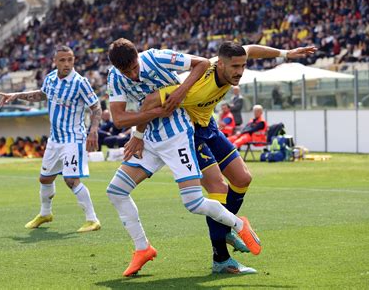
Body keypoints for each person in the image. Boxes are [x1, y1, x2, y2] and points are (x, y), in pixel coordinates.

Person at [126, 41, 316, 274]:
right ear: (221, 65)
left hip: (209, 126)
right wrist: (138, 134)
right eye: (235, 67)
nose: (239, 71)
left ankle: (226, 227)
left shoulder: (229, 63)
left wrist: (286, 53)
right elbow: (150, 101)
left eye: (243, 66)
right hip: (189, 134)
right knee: (218, 187)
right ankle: (221, 259)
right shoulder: (197, 86)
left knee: (243, 179)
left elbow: (252, 49)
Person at [105, 38, 261, 277]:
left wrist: (179, 92)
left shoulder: (157, 57)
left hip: (177, 135)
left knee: (194, 203)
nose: (134, 74)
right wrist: (143, 126)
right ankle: (142, 248)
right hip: (149, 138)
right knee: (115, 191)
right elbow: (118, 119)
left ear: (138, 56)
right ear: (117, 69)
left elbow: (200, 64)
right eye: (128, 72)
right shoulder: (114, 77)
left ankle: (239, 225)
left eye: (135, 67)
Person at [0, 45, 102, 233]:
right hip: (55, 139)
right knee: (45, 179)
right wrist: (16, 95)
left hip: (73, 138)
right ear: (55, 61)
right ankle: (45, 214)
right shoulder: (51, 78)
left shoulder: (80, 82)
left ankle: (92, 219)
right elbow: (41, 95)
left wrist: (93, 131)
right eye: (62, 60)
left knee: (71, 180)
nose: (67, 64)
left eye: (70, 59)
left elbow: (96, 107)